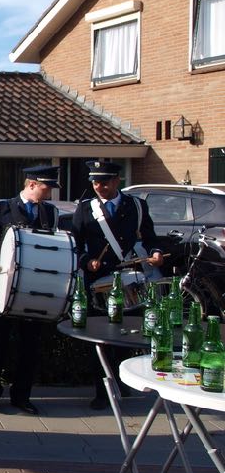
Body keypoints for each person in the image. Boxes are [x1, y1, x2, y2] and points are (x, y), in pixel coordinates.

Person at [71, 159, 163, 409]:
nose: (98, 186)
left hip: (129, 277)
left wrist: (155, 253)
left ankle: (122, 384)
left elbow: (151, 237)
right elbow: (76, 243)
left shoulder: (137, 206)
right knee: (100, 338)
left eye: (103, 182)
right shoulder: (84, 208)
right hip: (98, 281)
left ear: (116, 181)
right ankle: (102, 392)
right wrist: (87, 260)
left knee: (126, 334)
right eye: (94, 182)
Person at [0, 164, 62, 415]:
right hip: (6, 285)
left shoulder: (51, 212)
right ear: (32, 184)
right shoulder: (3, 207)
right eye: (46, 188)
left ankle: (21, 396)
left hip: (36, 287)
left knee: (30, 345)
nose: (49, 194)